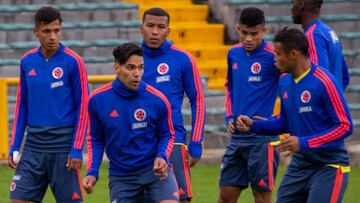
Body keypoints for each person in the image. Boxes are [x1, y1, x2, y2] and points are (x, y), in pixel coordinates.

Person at [237, 27, 353, 203]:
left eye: (278, 54)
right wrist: (254, 125)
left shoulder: (324, 81)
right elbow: (285, 122)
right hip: (300, 166)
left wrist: (304, 143)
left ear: (293, 54)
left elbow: (345, 126)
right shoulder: (284, 81)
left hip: (329, 166)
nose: (274, 58)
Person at [8, 6, 88, 203]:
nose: (53, 36)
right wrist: (15, 144)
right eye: (46, 31)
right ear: (36, 32)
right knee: (17, 200)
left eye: (56, 30)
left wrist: (77, 148)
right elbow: (22, 106)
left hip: (63, 147)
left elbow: (83, 108)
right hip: (33, 146)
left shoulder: (74, 61)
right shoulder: (27, 61)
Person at [82, 43, 179, 203]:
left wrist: (162, 156)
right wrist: (92, 172)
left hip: (154, 173)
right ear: (117, 67)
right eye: (131, 68)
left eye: (141, 68)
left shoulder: (157, 99)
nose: (137, 74)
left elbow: (167, 134)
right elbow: (96, 139)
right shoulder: (97, 100)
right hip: (122, 177)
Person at [140, 7, 206, 202]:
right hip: (139, 141)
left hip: (173, 139)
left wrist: (196, 140)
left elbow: (198, 100)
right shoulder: (132, 58)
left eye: (160, 27)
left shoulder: (182, 58)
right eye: (150, 26)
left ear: (168, 30)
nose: (154, 31)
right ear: (141, 28)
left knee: (180, 199)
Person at [218, 7, 281, 203]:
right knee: (226, 196)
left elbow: (291, 88)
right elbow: (230, 86)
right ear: (238, 29)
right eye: (244, 33)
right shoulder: (233, 54)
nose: (248, 38)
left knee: (261, 195)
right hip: (237, 137)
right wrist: (229, 116)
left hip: (262, 139)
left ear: (263, 30)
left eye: (254, 34)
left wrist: (279, 122)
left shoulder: (274, 55)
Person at [291, 0, 349, 90]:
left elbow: (316, 79)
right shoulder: (329, 32)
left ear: (301, 4)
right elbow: (344, 78)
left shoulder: (312, 35)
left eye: (292, 3)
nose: (291, 8)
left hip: (319, 104)